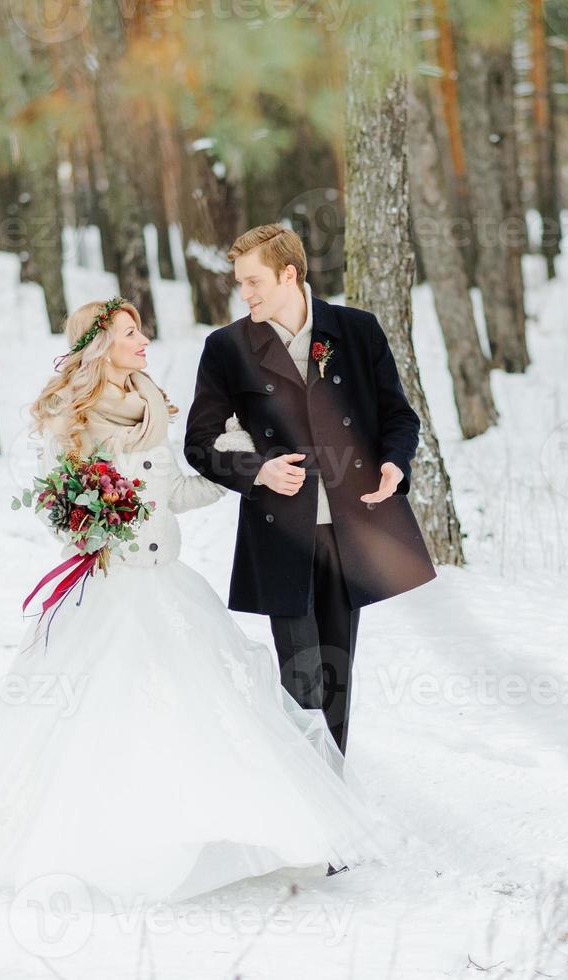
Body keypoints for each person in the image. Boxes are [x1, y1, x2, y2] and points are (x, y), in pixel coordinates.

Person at [0, 298, 395, 904]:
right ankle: (102, 843)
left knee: (198, 711)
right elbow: (59, 509)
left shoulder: (150, 404)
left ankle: (201, 829)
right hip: (112, 589)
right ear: (102, 345)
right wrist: (97, 523)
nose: (143, 339)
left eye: (141, 329)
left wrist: (245, 472)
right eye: (130, 332)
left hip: (168, 583)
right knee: (102, 713)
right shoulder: (73, 418)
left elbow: (172, 490)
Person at [183, 224, 437, 766]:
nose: (244, 293)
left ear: (290, 274)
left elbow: (398, 416)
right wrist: (259, 470)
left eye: (253, 282)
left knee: (336, 676)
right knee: (300, 683)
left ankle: (333, 804)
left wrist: (394, 463)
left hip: (352, 530)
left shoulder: (357, 331)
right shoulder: (227, 348)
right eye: (240, 284)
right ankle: (311, 815)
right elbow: (199, 445)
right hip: (284, 536)